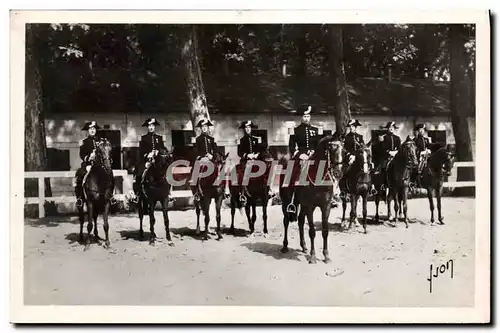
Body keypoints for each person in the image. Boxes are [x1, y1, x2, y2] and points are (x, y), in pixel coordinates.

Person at [237, 120, 275, 198]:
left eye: (249, 127)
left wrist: (257, 154)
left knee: (266, 170)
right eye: (246, 128)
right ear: (244, 129)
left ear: (251, 129)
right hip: (246, 160)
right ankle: (243, 192)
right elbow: (239, 153)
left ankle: (269, 189)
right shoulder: (241, 140)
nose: (247, 129)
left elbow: (260, 149)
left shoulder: (256, 139)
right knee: (244, 172)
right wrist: (248, 155)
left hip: (257, 160)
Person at [74, 121, 102, 207]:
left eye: (94, 129)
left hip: (99, 165)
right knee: (80, 176)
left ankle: (110, 197)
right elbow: (81, 155)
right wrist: (89, 157)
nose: (92, 130)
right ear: (88, 131)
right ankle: (80, 198)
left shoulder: (100, 141)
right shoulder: (84, 142)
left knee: (108, 175)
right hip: (88, 165)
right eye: (90, 129)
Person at [193, 118, 220, 200]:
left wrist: (212, 156)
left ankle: (222, 190)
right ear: (201, 128)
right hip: (202, 159)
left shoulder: (211, 139)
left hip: (211, 159)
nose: (204, 128)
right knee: (198, 172)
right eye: (203, 127)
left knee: (219, 169)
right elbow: (196, 151)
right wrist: (204, 155)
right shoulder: (198, 139)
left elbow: (216, 150)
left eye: (206, 126)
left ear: (208, 128)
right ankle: (197, 191)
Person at [380, 121, 402, 185]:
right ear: (388, 128)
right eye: (390, 127)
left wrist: (396, 152)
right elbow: (382, 148)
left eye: (392, 127)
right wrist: (389, 152)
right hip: (386, 157)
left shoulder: (397, 138)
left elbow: (399, 148)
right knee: (384, 168)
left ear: (394, 129)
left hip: (396, 156)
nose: (391, 128)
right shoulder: (384, 137)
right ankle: (384, 184)